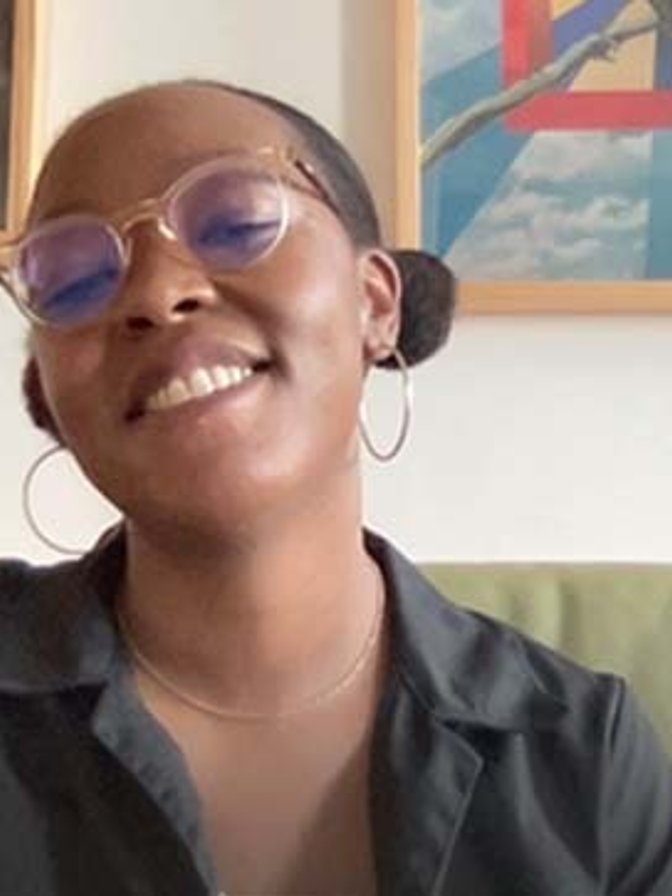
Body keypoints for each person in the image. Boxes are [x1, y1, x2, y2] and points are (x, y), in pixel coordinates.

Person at [0, 79, 670, 896]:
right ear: (50, 394)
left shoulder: (581, 761)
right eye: (71, 275)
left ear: (375, 304)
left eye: (235, 222)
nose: (155, 293)